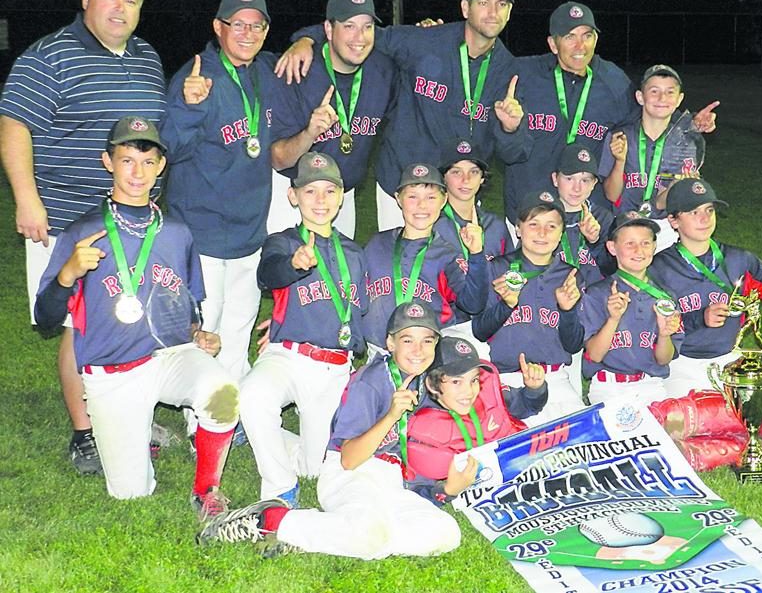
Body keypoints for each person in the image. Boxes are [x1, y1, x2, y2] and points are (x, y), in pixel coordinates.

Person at [0, 0, 166, 475]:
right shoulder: (48, 56)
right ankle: (85, 432)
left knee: (130, 319)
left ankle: (129, 411)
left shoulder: (146, 57)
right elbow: (13, 127)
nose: (120, 8)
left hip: (133, 222)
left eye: (131, 0)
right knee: (79, 325)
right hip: (69, 220)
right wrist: (27, 199)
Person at [33, 117, 237, 518]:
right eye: (127, 160)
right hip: (114, 372)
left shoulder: (177, 232)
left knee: (223, 392)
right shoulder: (84, 233)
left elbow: (189, 307)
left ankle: (206, 490)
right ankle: (136, 430)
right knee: (131, 494)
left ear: (161, 165)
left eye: (147, 162)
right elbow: (44, 317)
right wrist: (67, 274)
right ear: (107, 162)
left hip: (169, 357)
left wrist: (201, 335)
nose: (137, 172)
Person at [198, 302, 463, 560]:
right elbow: (349, 459)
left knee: (446, 533)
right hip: (352, 475)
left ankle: (325, 536)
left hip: (392, 482)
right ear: (390, 343)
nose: (418, 349)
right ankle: (270, 519)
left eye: (427, 340)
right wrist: (391, 416)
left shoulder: (423, 382)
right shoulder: (370, 382)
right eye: (408, 340)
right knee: (370, 537)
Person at [275, 0, 529, 231]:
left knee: (452, 271)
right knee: (398, 269)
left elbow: (515, 153)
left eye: (501, 4)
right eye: (484, 3)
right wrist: (306, 38)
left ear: (509, 12)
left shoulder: (509, 72)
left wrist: (510, 129)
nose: (492, 12)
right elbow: (361, 35)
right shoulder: (424, 41)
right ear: (466, 8)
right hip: (399, 186)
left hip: (457, 193)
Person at [160, 0, 275, 441]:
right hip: (203, 229)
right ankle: (201, 423)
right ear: (218, 27)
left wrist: (306, 41)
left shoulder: (263, 71)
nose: (246, 33)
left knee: (239, 324)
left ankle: (227, 413)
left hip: (249, 229)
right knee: (206, 326)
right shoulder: (196, 77)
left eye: (256, 25)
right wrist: (189, 108)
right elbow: (169, 147)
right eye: (237, 24)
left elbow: (318, 46)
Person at [240, 152, 368, 505]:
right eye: (310, 191)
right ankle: (280, 488)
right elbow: (268, 275)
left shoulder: (354, 253)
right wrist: (293, 266)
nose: (320, 200)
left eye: (329, 191)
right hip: (288, 356)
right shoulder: (282, 242)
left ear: (342, 197)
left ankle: (267, 436)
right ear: (293, 196)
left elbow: (361, 312)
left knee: (314, 467)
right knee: (253, 394)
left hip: (334, 366)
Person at [647, 177, 762, 398]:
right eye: (693, 212)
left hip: (729, 360)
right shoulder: (659, 268)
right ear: (673, 220)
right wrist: (700, 318)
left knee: (757, 420)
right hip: (680, 364)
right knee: (695, 419)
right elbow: (648, 328)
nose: (704, 218)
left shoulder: (739, 260)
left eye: (709, 210)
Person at [267, 0, 396, 238]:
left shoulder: (383, 70)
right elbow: (279, 159)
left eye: (367, 26)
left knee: (339, 275)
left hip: (342, 197)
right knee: (286, 273)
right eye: (348, 26)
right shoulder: (297, 70)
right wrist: (309, 133)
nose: (359, 37)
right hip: (293, 195)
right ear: (328, 29)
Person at [503, 1, 639, 226]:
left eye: (587, 36)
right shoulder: (523, 75)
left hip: (587, 216)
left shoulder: (613, 81)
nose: (580, 46)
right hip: (530, 211)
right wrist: (434, 41)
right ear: (553, 44)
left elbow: (647, 116)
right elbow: (474, 67)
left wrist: (690, 123)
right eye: (569, 37)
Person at [472, 191, 585, 424]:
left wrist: (567, 310)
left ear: (561, 232)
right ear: (518, 229)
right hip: (510, 383)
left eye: (551, 226)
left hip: (557, 380)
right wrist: (507, 304)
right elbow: (480, 331)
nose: (542, 233)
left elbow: (573, 344)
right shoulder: (497, 269)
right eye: (533, 224)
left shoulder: (570, 275)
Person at [362, 162, 488, 356]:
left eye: (431, 197)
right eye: (412, 197)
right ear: (398, 198)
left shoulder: (446, 255)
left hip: (427, 353)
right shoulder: (376, 245)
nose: (421, 205)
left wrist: (476, 254)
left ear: (444, 200)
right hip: (380, 350)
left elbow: (473, 304)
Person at [404, 336, 547, 501]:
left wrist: (534, 390)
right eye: (456, 381)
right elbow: (415, 494)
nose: (469, 391)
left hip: (516, 466)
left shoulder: (486, 394)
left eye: (474, 380)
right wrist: (449, 490)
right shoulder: (421, 429)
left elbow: (524, 406)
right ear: (433, 384)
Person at [599, 64, 718, 252]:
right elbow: (611, 195)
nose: (662, 98)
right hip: (625, 224)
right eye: (654, 91)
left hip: (667, 227)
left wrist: (676, 188)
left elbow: (664, 203)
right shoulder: (620, 136)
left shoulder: (686, 142)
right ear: (640, 97)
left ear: (679, 99)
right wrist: (620, 161)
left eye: (670, 92)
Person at [580, 211, 684, 406]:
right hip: (608, 387)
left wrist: (664, 334)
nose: (639, 250)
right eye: (630, 244)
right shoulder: (597, 294)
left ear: (654, 246)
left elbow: (664, 359)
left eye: (646, 243)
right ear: (612, 247)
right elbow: (594, 355)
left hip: (652, 386)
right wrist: (613, 319)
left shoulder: (666, 298)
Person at [433, 137, 512, 259]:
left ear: (482, 178)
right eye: (456, 172)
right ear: (443, 177)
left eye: (474, 172)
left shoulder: (496, 226)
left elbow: (511, 272)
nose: (466, 180)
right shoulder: (433, 224)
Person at [551, 143, 615, 285]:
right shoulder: (542, 216)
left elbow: (611, 269)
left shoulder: (604, 218)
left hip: (592, 297)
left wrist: (595, 241)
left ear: (594, 184)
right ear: (555, 179)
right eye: (569, 179)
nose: (577, 188)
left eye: (585, 180)